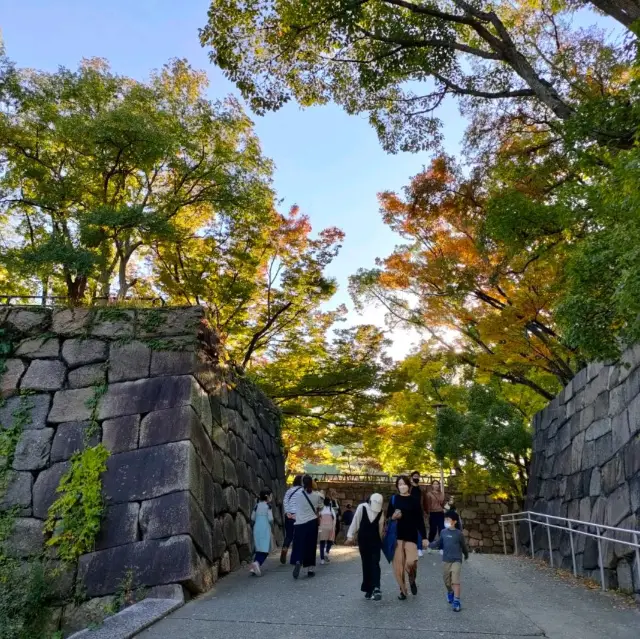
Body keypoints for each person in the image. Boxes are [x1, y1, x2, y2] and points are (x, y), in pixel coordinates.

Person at [387, 475, 427, 600]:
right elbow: (388, 516)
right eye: (399, 484)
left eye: (404, 484)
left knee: (411, 562)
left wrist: (424, 537)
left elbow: (420, 520)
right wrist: (393, 517)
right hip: (396, 536)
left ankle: (412, 578)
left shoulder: (414, 500)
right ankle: (403, 591)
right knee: (398, 567)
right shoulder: (394, 499)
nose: (402, 486)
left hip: (411, 536)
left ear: (408, 486)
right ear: (397, 486)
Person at [346, 493, 385, 601]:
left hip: (375, 540)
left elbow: (381, 528)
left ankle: (376, 587)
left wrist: (382, 541)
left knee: (375, 562)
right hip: (363, 540)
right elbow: (355, 522)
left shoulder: (381, 511)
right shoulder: (362, 507)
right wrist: (350, 536)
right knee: (366, 563)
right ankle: (368, 588)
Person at [428, 511, 469, 612]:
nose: (446, 521)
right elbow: (439, 542)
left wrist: (466, 554)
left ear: (454, 521)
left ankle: (456, 601)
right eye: (445, 519)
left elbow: (463, 546)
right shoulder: (443, 532)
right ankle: (450, 592)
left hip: (457, 560)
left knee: (455, 580)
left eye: (448, 519)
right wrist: (429, 545)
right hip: (446, 560)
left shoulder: (459, 534)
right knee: (447, 582)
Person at [291, 474, 323, 579]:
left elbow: (295, 506)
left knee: (299, 544)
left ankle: (298, 560)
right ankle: (310, 569)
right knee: (310, 546)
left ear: (302, 483)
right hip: (312, 523)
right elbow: (320, 508)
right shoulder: (317, 495)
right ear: (312, 483)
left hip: (299, 523)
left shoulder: (297, 495)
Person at [250, 489, 274, 577]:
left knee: (259, 548)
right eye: (271, 496)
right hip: (265, 528)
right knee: (265, 550)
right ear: (267, 497)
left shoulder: (256, 505)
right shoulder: (268, 506)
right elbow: (270, 519)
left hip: (256, 528)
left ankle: (253, 568)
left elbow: (252, 517)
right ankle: (257, 563)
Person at [281, 475, 302, 564]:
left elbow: (285, 501)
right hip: (298, 516)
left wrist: (287, 512)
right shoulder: (302, 491)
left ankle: (285, 547)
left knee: (289, 535)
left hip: (289, 516)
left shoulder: (289, 490)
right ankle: (296, 556)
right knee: (298, 536)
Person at [410, 471, 426, 558]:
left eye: (418, 476)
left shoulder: (421, 489)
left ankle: (419, 548)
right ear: (411, 477)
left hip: (419, 511)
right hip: (409, 512)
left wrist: (426, 511)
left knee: (420, 530)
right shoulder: (409, 487)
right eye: (415, 476)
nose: (416, 477)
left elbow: (425, 501)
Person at [425, 479, 446, 543]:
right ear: (432, 485)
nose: (436, 485)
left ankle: (441, 546)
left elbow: (443, 504)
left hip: (440, 513)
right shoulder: (429, 494)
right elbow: (427, 504)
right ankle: (429, 544)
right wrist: (428, 514)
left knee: (442, 529)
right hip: (433, 513)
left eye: (437, 484)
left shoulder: (441, 494)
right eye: (434, 484)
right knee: (433, 530)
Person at [318, 497, 336, 564]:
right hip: (330, 527)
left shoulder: (321, 510)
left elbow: (318, 517)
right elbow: (334, 519)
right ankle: (327, 552)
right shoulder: (331, 510)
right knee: (330, 541)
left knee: (322, 543)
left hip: (322, 527)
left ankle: (322, 560)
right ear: (329, 502)